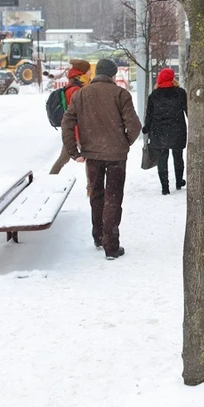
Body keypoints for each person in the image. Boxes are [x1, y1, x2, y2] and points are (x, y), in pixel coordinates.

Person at [61, 58, 142, 260]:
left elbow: (67, 123)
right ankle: (111, 246)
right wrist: (123, 143)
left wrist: (74, 152)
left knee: (97, 195)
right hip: (116, 156)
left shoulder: (81, 94)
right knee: (113, 199)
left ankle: (98, 236)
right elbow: (134, 126)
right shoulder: (120, 94)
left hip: (91, 155)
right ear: (113, 75)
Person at [143, 67, 188, 195]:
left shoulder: (154, 95)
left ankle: (165, 187)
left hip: (158, 130)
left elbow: (149, 115)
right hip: (177, 129)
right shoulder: (180, 93)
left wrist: (146, 127)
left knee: (162, 158)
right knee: (178, 156)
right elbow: (187, 110)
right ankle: (179, 181)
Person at [49, 59, 92, 174]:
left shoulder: (73, 85)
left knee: (63, 158)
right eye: (89, 71)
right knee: (91, 159)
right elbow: (80, 112)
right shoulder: (76, 90)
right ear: (82, 73)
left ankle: (50, 177)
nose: (90, 73)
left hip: (72, 130)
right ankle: (91, 188)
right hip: (78, 130)